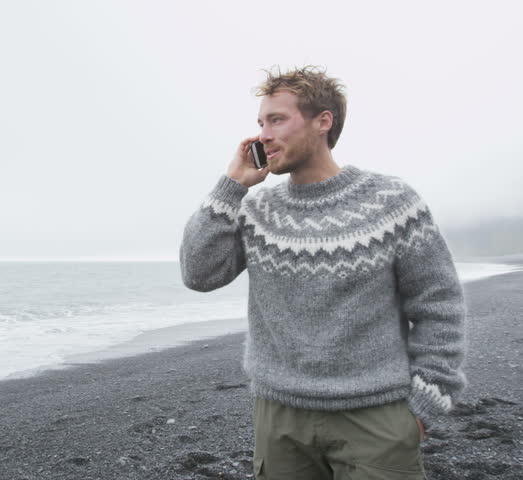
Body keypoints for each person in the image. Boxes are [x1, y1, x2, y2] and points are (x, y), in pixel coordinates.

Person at [179, 66, 467, 479]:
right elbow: (198, 273)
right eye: (261, 122)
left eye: (277, 119)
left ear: (323, 121)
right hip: (279, 419)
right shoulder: (257, 210)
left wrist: (425, 404)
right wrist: (232, 185)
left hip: (377, 416)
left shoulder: (391, 202)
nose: (263, 134)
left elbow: (438, 302)